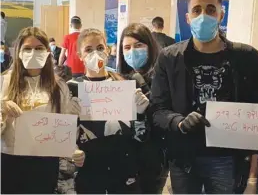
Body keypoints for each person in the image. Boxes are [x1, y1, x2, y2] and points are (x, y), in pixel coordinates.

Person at [150, 0, 258, 194]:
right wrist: (180, 122)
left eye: (211, 10)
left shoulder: (246, 57)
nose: (203, 16)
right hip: (184, 157)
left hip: (227, 158)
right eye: (196, 10)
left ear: (221, 14)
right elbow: (157, 109)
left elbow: (257, 113)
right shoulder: (169, 58)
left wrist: (253, 178)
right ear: (187, 17)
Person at [0, 27, 85, 194]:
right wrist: (1, 109)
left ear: (47, 52)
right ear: (18, 52)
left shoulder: (59, 86)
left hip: (45, 162)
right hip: (9, 160)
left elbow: (64, 125)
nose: (33, 53)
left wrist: (72, 150)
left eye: (39, 48)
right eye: (27, 49)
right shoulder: (4, 82)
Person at [67, 28, 149, 194]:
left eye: (99, 48)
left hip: (124, 172)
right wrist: (72, 150)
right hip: (90, 172)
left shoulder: (124, 85)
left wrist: (140, 114)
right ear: (80, 55)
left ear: (108, 51)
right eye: (88, 50)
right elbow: (63, 136)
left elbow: (140, 137)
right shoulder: (71, 88)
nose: (95, 53)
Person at [117, 23, 168, 194]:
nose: (133, 51)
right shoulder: (119, 81)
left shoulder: (163, 78)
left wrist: (146, 110)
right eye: (127, 47)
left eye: (139, 45)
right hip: (126, 159)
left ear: (150, 46)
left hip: (153, 159)